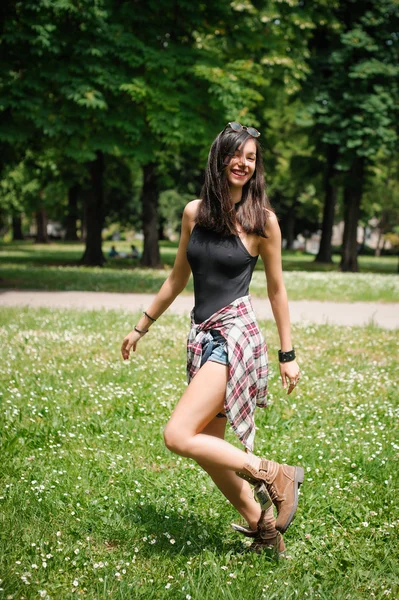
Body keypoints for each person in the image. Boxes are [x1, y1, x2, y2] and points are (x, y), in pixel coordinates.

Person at [121, 122, 303, 556]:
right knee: (209, 448)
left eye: (251, 157)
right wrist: (140, 325)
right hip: (201, 339)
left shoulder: (263, 222)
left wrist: (287, 353)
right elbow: (178, 277)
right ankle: (262, 525)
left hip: (232, 337)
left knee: (178, 435)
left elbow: (277, 289)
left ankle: (274, 472)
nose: (243, 163)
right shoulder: (194, 213)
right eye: (236, 154)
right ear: (220, 157)